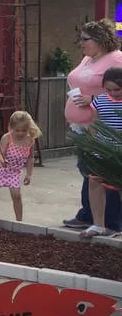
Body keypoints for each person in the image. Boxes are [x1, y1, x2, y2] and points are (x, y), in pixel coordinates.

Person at [62, 20, 122, 231]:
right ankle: (88, 214)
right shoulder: (88, 58)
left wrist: (94, 98)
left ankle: (110, 220)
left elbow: (117, 90)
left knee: (106, 174)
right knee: (88, 172)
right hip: (82, 127)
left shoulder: (116, 59)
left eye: (85, 39)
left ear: (100, 40)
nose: (81, 43)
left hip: (102, 127)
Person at [80, 67, 122, 238]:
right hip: (101, 152)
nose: (113, 93)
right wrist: (90, 146)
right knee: (95, 184)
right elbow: (94, 124)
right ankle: (98, 225)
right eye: (109, 89)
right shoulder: (99, 101)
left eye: (118, 89)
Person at [0, 111, 40, 222]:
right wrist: (3, 161)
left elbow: (30, 158)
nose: (20, 133)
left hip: (14, 171)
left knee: (17, 196)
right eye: (17, 130)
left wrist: (29, 174)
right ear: (11, 128)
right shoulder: (7, 138)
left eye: (24, 130)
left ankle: (19, 221)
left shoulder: (30, 140)